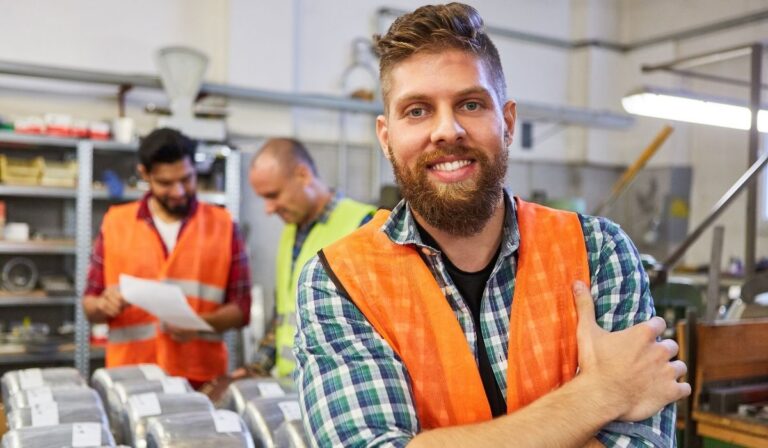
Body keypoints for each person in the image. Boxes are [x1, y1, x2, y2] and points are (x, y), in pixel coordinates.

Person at [294, 3, 690, 447]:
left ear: (507, 122)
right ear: (386, 137)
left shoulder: (598, 252)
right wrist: (602, 393)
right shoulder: (340, 281)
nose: (447, 130)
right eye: (418, 111)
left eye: (470, 103)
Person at [83, 127, 251, 388]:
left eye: (186, 179)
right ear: (144, 174)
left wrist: (200, 324)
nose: (179, 191)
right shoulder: (116, 223)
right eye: (165, 183)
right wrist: (103, 305)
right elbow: (89, 306)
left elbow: (241, 309)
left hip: (200, 380)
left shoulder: (224, 225)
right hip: (130, 379)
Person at [247, 138, 376, 378]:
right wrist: (256, 369)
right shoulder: (290, 232)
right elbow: (283, 314)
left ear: (303, 175)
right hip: (290, 385)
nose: (269, 208)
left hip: (337, 388)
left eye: (273, 195)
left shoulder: (361, 226)